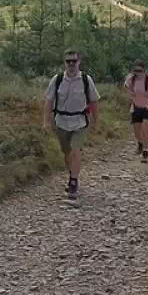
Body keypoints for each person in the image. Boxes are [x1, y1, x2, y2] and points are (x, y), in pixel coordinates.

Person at [44, 49, 100, 200]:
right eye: (68, 61)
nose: (71, 64)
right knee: (67, 152)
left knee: (76, 150)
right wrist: (46, 121)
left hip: (80, 122)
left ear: (79, 62)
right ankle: (72, 173)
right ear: (64, 63)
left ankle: (73, 181)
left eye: (73, 61)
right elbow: (49, 101)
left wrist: (96, 121)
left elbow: (94, 101)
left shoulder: (86, 80)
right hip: (61, 122)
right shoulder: (57, 79)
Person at [123, 60, 148, 162]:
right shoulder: (131, 79)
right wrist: (130, 94)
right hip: (135, 107)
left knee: (145, 129)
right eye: (135, 70)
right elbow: (126, 86)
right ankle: (140, 143)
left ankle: (146, 150)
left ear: (144, 70)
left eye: (140, 70)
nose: (137, 73)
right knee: (137, 132)